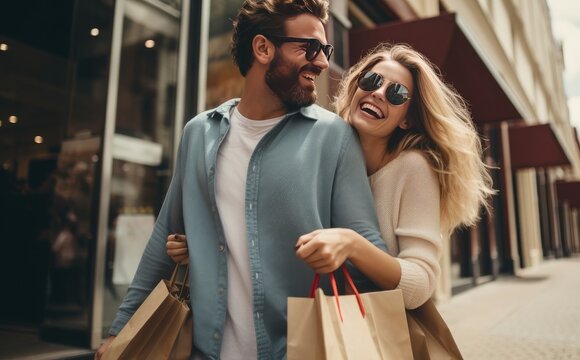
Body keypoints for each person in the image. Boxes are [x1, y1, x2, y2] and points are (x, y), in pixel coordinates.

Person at [96, 1, 387, 359]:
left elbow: (369, 253)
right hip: (205, 350)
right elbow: (162, 241)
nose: (323, 62)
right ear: (263, 48)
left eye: (324, 50)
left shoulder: (334, 137)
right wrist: (119, 332)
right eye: (310, 47)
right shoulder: (199, 133)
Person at [170, 43, 494, 311]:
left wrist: (353, 244)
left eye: (396, 94)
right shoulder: (320, 146)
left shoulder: (412, 168)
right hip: (299, 319)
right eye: (370, 81)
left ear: (407, 120)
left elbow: (420, 284)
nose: (379, 93)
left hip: (363, 329)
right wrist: (208, 242)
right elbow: (281, 236)